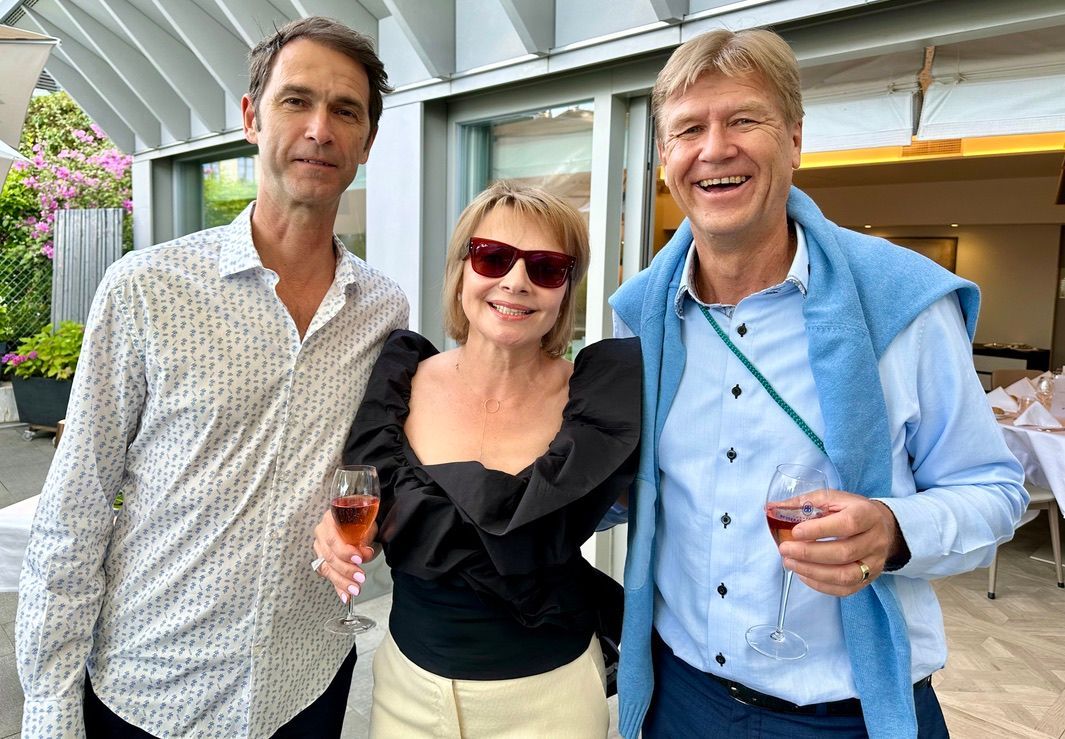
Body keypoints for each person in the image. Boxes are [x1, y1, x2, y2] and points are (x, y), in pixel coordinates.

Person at [607, 28, 1028, 739]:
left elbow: (995, 489)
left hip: (846, 717)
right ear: (666, 157)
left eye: (743, 119)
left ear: (794, 139)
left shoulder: (902, 304)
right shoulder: (639, 318)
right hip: (677, 701)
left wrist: (895, 530)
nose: (714, 149)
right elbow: (623, 492)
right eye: (687, 129)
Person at [15, 17, 407, 738]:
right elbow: (74, 508)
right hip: (149, 689)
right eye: (296, 101)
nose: (320, 128)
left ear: (367, 140)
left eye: (345, 110)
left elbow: (377, 467)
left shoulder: (381, 310)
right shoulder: (145, 287)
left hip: (306, 681)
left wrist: (369, 525)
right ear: (252, 118)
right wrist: (49, 704)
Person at [313, 180, 639, 737]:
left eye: (546, 268)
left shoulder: (600, 400)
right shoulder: (398, 381)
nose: (515, 281)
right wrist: (333, 526)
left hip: (552, 700)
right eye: (493, 257)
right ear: (461, 269)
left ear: (565, 290)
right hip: (406, 693)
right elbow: (362, 493)